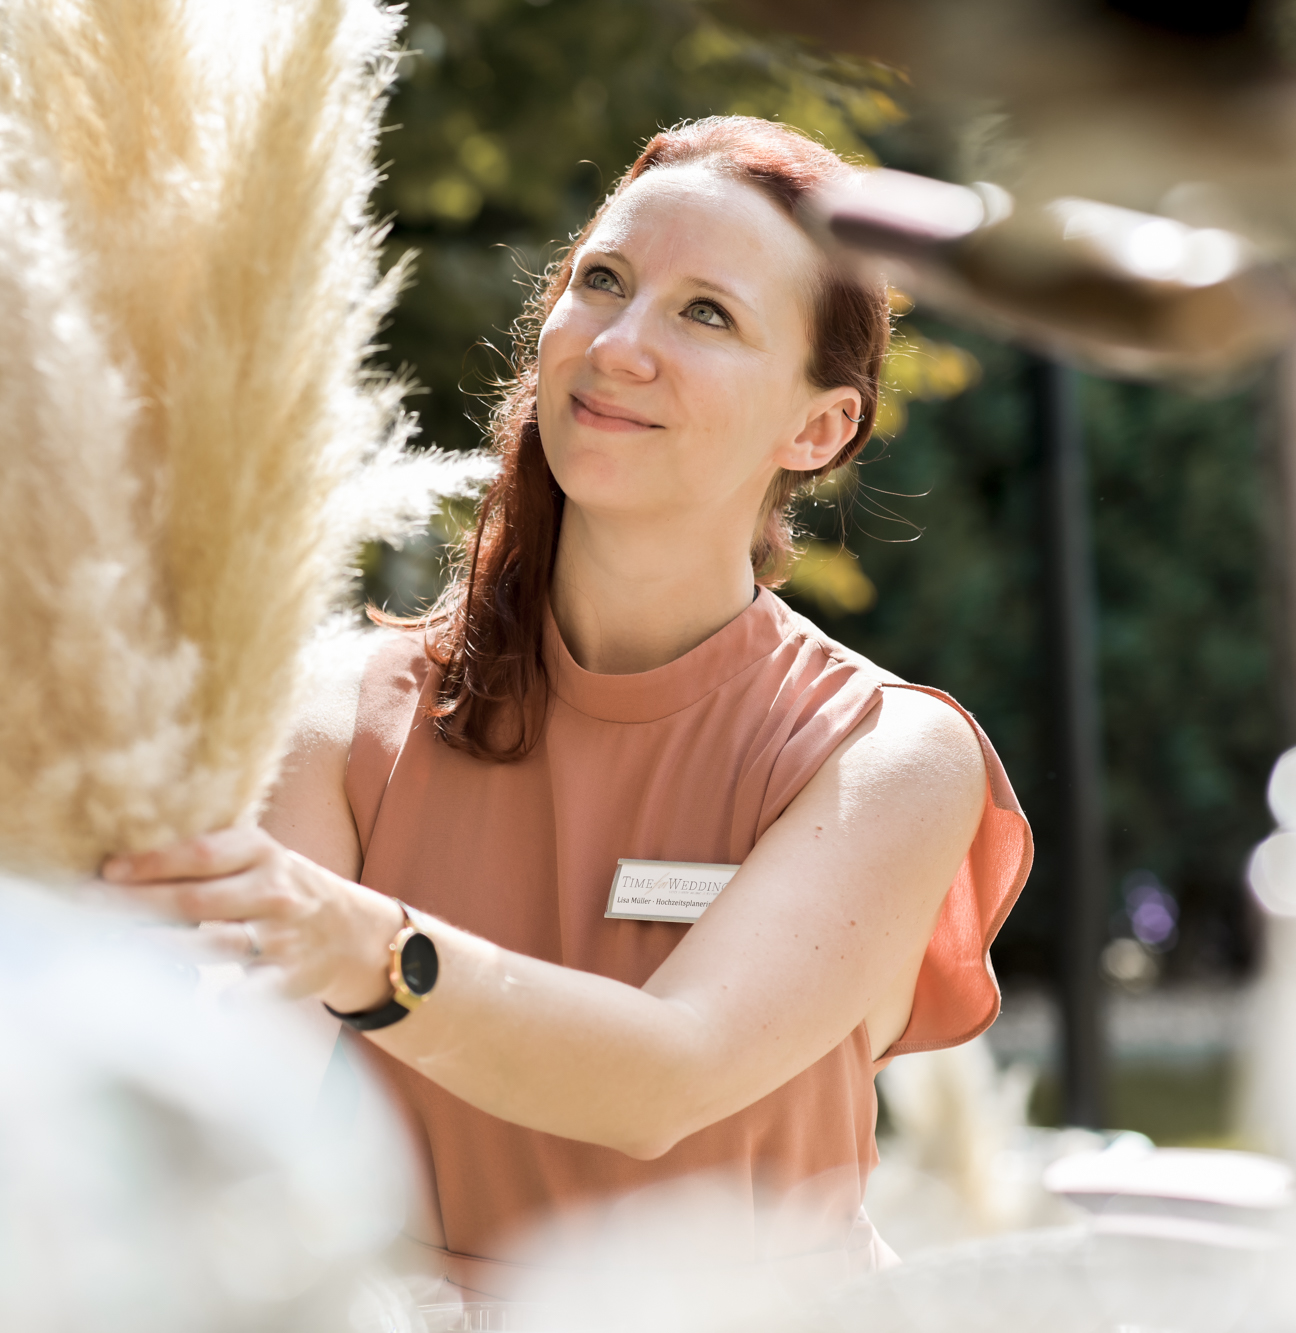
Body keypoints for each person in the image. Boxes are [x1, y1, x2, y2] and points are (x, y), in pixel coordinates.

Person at [104, 116, 1031, 1295]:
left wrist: (366, 948)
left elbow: (667, 1077)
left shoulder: (888, 756)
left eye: (706, 313)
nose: (619, 344)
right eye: (602, 282)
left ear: (817, 426)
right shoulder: (339, 715)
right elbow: (238, 1106)